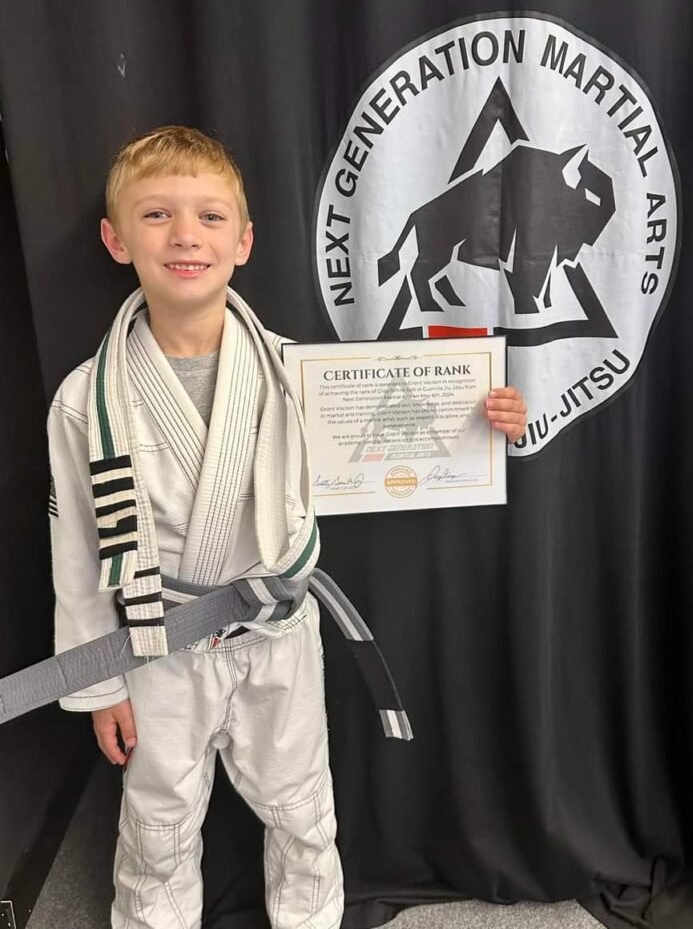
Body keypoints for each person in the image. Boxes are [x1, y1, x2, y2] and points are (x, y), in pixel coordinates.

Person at [48, 125, 528, 929]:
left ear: (243, 241)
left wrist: (477, 418)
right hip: (157, 645)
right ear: (115, 238)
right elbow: (77, 552)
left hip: (277, 638)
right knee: (158, 826)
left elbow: (392, 436)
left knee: (303, 811)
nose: (184, 235)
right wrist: (96, 684)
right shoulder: (84, 399)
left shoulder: (297, 371)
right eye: (157, 215)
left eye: (208, 217)